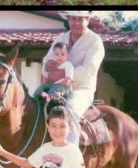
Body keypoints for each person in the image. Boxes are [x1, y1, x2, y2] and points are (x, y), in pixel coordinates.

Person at [42, 11, 105, 154]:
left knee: (70, 110)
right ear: (68, 19)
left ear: (87, 20)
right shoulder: (60, 37)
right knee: (32, 105)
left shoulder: (95, 41)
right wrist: (47, 68)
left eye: (80, 19)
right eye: (73, 18)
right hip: (56, 86)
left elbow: (89, 70)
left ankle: (69, 157)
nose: (76, 22)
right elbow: (46, 60)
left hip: (81, 89)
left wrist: (63, 73)